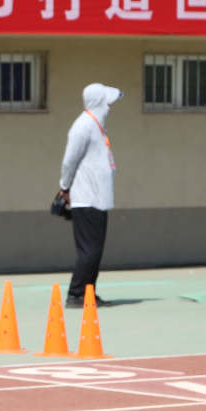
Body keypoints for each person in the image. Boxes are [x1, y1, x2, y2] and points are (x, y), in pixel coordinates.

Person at [57, 84, 122, 308]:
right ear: (99, 102)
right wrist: (65, 187)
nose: (110, 107)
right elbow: (69, 160)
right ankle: (76, 294)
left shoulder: (96, 127)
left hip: (97, 198)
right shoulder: (83, 126)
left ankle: (88, 293)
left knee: (95, 250)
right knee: (90, 250)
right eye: (107, 103)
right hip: (86, 198)